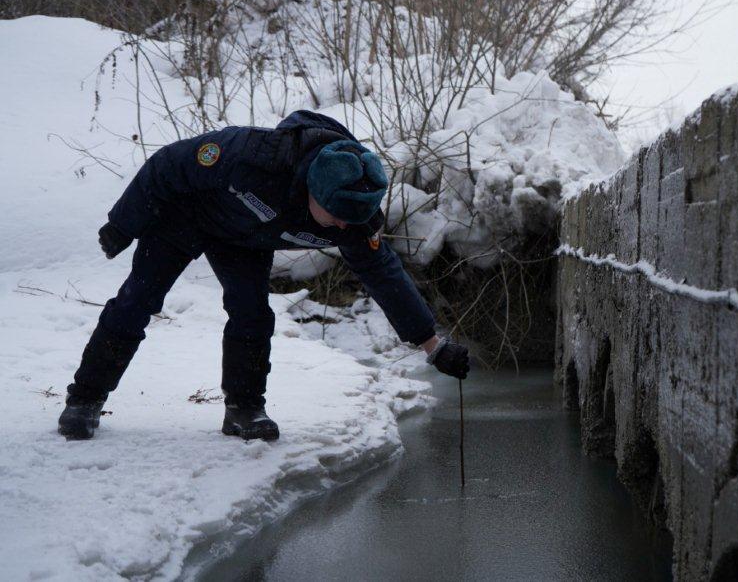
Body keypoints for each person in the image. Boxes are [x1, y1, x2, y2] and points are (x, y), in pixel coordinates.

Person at [57, 110, 469, 441]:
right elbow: (170, 164)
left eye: (353, 220)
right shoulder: (251, 156)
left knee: (253, 315)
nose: (344, 228)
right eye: (338, 218)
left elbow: (383, 274)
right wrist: (124, 224)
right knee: (138, 301)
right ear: (314, 191)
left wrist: (432, 344)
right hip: (186, 216)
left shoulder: (354, 215)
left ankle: (244, 410)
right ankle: (84, 401)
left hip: (245, 241)